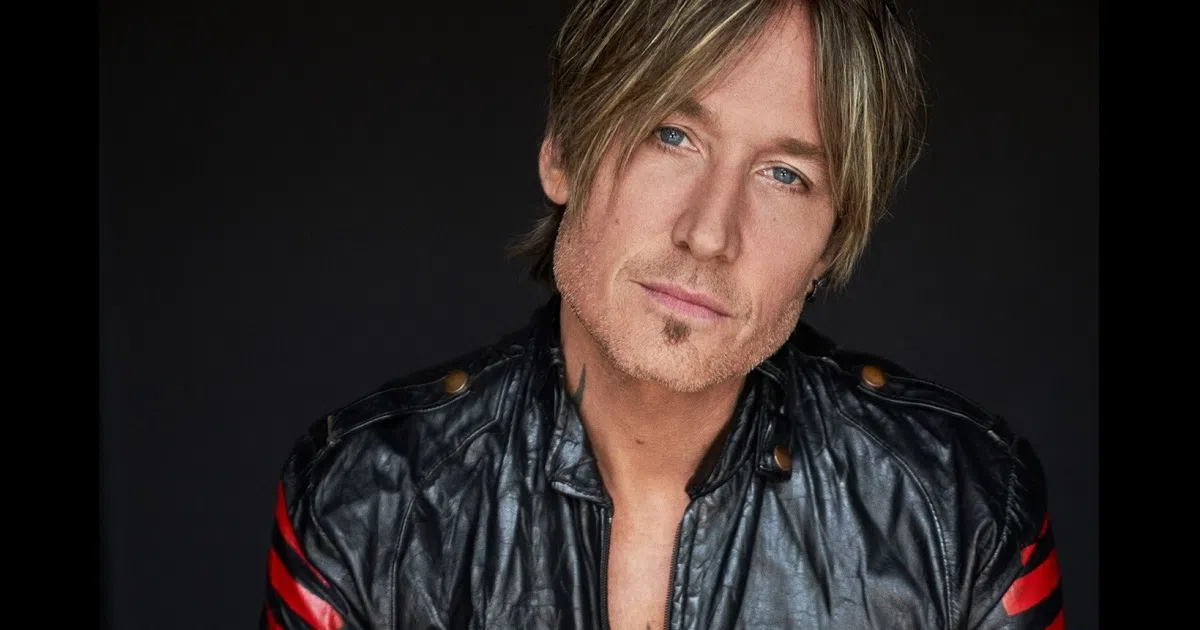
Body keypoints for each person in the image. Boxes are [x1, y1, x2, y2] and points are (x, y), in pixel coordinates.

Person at [259, 0, 1064, 628]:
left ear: (830, 243)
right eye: (671, 135)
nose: (709, 233)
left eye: (785, 176)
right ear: (563, 151)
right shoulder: (367, 502)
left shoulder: (964, 510)